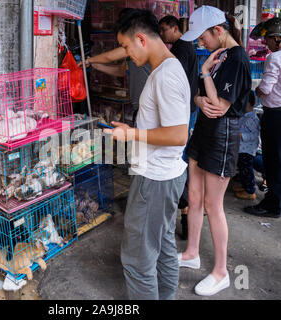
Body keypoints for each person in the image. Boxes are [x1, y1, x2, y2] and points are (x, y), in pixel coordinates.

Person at [103, 9, 190, 300]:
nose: (127, 54)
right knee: (163, 243)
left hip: (155, 180)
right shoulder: (167, 68)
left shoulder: (165, 75)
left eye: (127, 47)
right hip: (166, 176)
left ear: (141, 39)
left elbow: (179, 135)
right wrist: (133, 129)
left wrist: (132, 134)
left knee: (138, 260)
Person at [177, 6, 251, 296]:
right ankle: (192, 252)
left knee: (213, 206)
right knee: (193, 197)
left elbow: (220, 107)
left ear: (218, 31)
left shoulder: (237, 59)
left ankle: (221, 272)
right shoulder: (219, 54)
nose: (200, 43)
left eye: (203, 37)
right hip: (203, 133)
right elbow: (201, 96)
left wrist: (206, 72)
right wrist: (197, 98)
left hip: (223, 136)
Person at [159, 15, 199, 240]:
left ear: (175, 28)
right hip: (185, 112)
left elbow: (175, 84)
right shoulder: (184, 47)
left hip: (183, 113)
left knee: (179, 161)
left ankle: (184, 210)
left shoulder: (181, 49)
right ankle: (183, 210)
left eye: (164, 30)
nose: (163, 34)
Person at [80, 9, 151, 126]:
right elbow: (122, 70)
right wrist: (96, 65)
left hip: (147, 110)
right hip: (139, 107)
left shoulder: (137, 45)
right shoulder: (133, 53)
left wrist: (89, 60)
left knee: (143, 141)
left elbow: (110, 56)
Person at [244, 18, 281, 219]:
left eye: (268, 39)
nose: (265, 43)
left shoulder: (275, 58)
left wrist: (255, 91)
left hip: (275, 115)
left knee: (272, 160)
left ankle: (273, 205)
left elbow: (265, 88)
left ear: (277, 39)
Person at [232, 90, 260, 200]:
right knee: (243, 170)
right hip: (241, 149)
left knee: (247, 171)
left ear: (248, 103)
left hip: (247, 150)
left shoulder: (252, 119)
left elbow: (254, 136)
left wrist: (241, 135)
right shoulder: (244, 116)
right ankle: (245, 187)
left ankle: (250, 191)